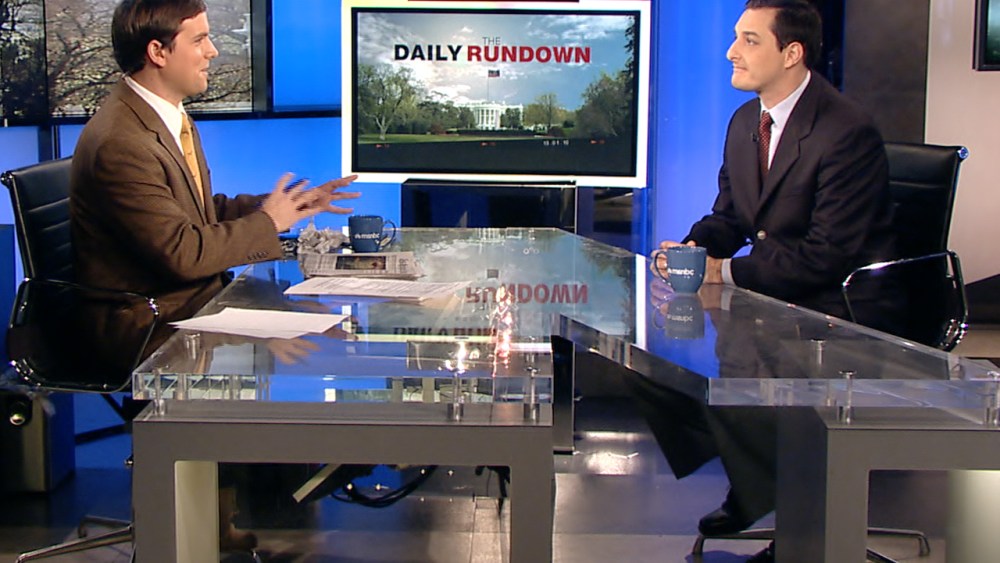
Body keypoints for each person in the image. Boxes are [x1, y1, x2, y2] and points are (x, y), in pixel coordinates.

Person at [69, 0, 361, 552]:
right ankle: (215, 517)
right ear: (158, 52)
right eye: (199, 39)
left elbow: (197, 213)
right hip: (141, 321)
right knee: (294, 349)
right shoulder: (121, 141)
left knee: (304, 328)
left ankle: (218, 520)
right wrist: (268, 224)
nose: (213, 50)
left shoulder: (166, 115)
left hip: (183, 300)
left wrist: (282, 208)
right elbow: (181, 251)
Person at [652, 1, 899, 561]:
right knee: (659, 364)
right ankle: (759, 477)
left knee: (734, 352)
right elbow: (731, 216)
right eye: (735, 38)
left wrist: (725, 272)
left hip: (839, 307)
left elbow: (826, 256)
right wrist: (691, 248)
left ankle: (791, 518)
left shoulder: (845, 131)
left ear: (792, 53)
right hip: (777, 292)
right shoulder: (746, 121)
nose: (730, 53)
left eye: (749, 40)